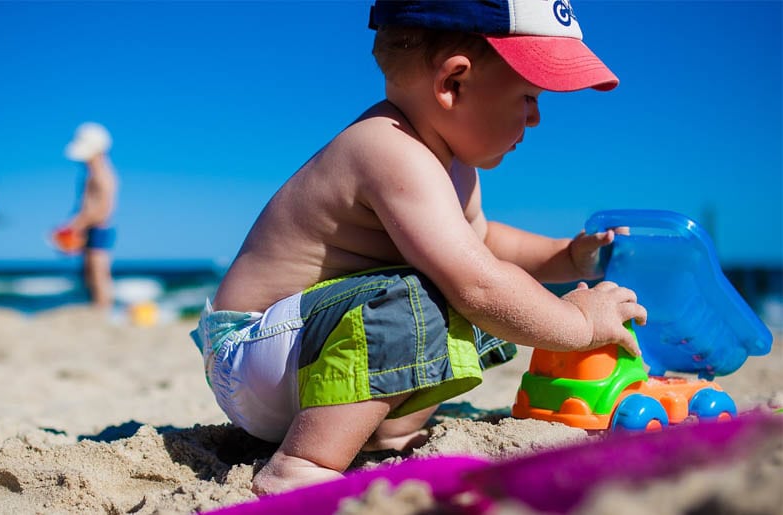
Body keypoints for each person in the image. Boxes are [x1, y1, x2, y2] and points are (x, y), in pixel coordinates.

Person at [191, 0, 647, 496]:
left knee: (459, 284)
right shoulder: (387, 148)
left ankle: (383, 431)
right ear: (453, 83)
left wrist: (564, 257)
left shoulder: (453, 165)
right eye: (528, 96)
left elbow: (485, 242)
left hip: (306, 358)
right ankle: (303, 465)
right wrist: (579, 325)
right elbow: (479, 281)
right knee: (444, 294)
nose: (535, 118)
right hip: (255, 356)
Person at [60, 122, 118, 309]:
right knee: (88, 272)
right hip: (89, 227)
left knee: (98, 272)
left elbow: (103, 208)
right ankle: (95, 304)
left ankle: (103, 307)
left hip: (99, 227)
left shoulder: (102, 174)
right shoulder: (91, 174)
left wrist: (76, 224)